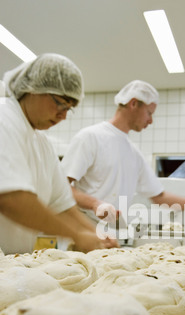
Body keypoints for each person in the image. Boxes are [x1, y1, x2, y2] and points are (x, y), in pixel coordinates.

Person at [62, 80, 185, 228]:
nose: (150, 121)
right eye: (149, 113)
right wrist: (95, 204)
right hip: (83, 229)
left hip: (112, 233)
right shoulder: (90, 137)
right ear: (133, 103)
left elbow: (160, 197)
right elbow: (61, 187)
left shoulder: (134, 153)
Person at [0, 53, 119, 255]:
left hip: (13, 265)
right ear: (32, 89)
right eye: (60, 103)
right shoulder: (4, 118)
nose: (63, 115)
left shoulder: (42, 143)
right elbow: (12, 198)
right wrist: (76, 235)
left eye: (69, 109)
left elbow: (63, 206)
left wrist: (97, 236)